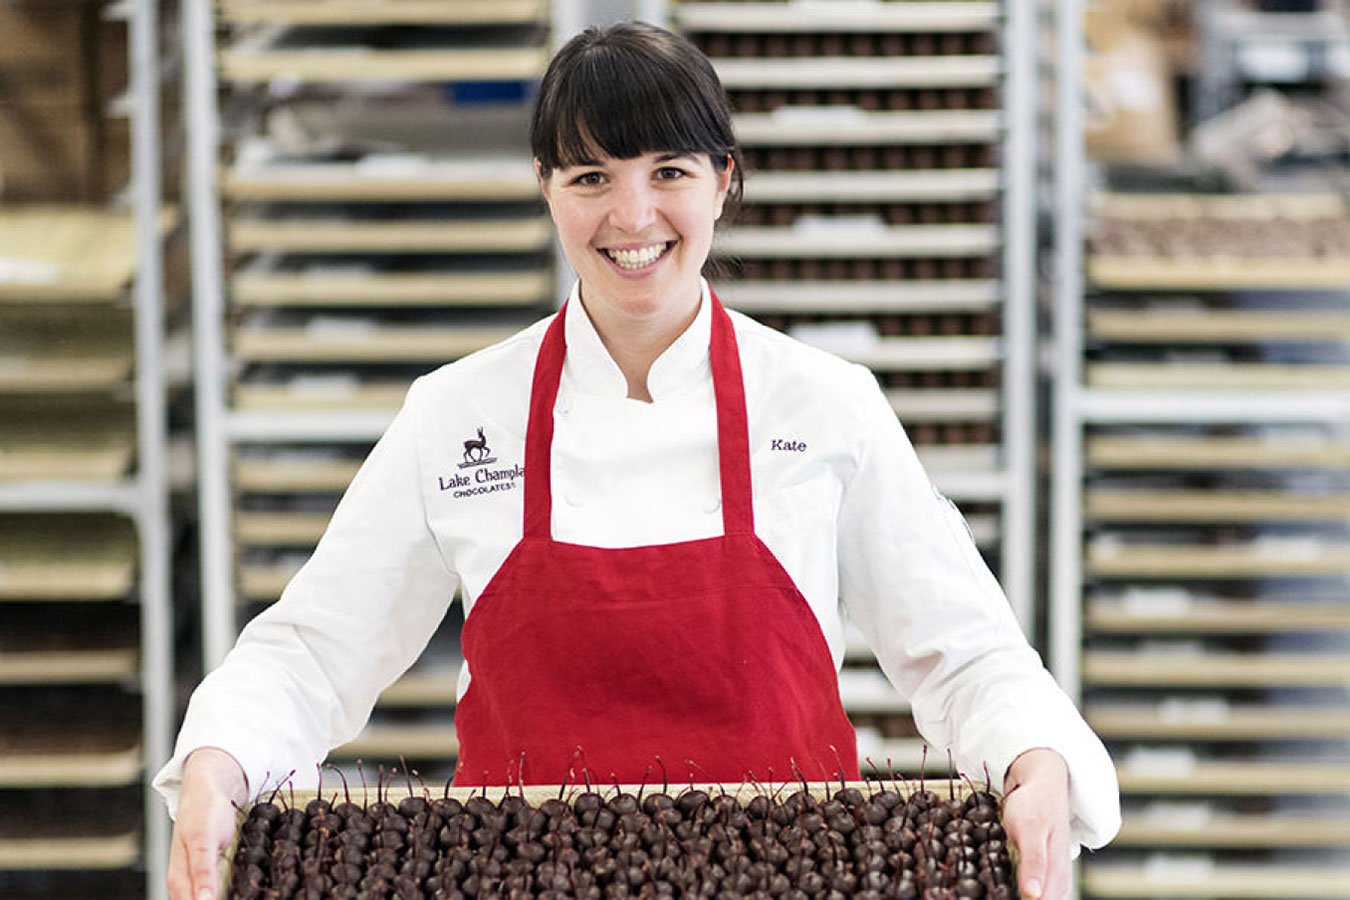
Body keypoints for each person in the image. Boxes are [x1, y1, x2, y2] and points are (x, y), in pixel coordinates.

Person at [157, 21, 1119, 900]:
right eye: (590, 178)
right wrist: (221, 758)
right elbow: (315, 651)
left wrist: (1035, 756)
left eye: (668, 171)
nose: (632, 215)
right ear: (545, 188)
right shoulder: (458, 415)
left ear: (723, 180)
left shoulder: (824, 405)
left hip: (792, 883)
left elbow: (966, 654)